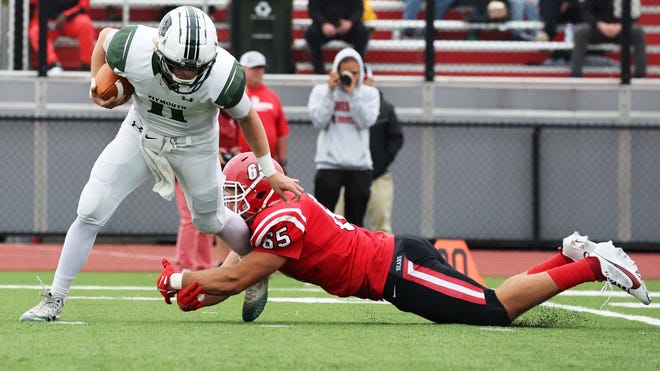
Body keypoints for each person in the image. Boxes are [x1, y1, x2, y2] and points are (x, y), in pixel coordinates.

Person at [19, 6, 304, 323]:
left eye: (196, 67)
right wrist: (95, 86)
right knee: (90, 209)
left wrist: (269, 171)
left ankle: (254, 268)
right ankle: (54, 299)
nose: (187, 74)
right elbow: (102, 40)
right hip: (140, 133)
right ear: (158, 48)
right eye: (179, 66)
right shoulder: (133, 45)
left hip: (195, 144)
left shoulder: (224, 73)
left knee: (210, 220)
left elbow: (248, 116)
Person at [156, 152, 651, 325]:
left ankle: (597, 265)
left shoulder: (281, 220)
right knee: (488, 300)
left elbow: (242, 274)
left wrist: (183, 277)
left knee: (495, 310)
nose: (234, 201)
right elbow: (232, 274)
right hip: (396, 261)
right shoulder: (281, 210)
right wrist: (198, 289)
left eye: (238, 191)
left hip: (397, 272)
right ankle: (567, 254)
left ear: (261, 188)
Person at [308, 47, 380, 227]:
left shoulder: (370, 94)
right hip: (328, 163)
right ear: (335, 71)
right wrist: (330, 94)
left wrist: (353, 93)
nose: (350, 76)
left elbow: (365, 121)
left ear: (361, 73)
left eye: (355, 73)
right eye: (345, 72)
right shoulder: (321, 91)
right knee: (323, 222)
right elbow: (319, 121)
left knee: (355, 224)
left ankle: (354, 256)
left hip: (360, 165)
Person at [335, 65, 403, 233]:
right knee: (339, 224)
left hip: (377, 177)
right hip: (347, 174)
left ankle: (384, 259)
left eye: (364, 80)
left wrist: (379, 164)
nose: (360, 85)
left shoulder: (385, 108)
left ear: (371, 81)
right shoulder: (341, 105)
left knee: (381, 226)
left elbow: (396, 138)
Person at [570, 0, 646, 78]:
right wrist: (599, 25)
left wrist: (621, 26)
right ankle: (576, 74)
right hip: (598, 30)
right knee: (581, 31)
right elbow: (585, 10)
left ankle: (640, 74)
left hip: (622, 30)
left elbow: (635, 14)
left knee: (638, 32)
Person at [28, 0, 95, 75]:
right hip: (49, 21)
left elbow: (83, 5)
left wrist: (66, 15)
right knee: (36, 31)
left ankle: (87, 66)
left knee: (86, 24)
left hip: (71, 19)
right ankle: (52, 65)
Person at [305, 0, 371, 74]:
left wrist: (350, 22)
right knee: (311, 34)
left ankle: (357, 68)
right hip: (325, 27)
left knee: (362, 32)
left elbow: (359, 9)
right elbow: (313, 10)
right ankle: (319, 71)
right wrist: (323, 24)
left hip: (349, 27)